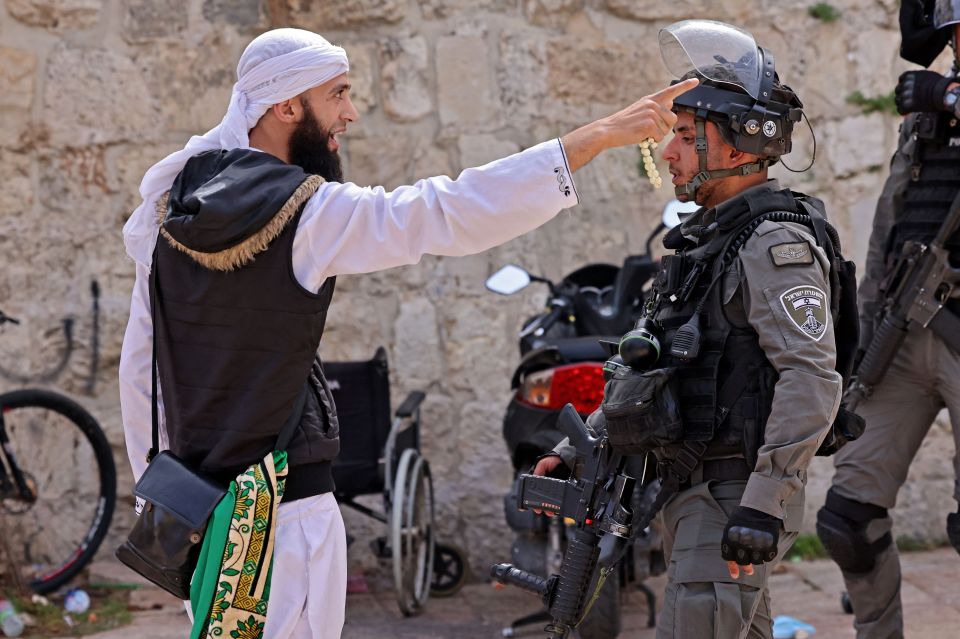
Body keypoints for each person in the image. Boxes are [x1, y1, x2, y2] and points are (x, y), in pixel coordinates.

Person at [117, 27, 696, 639]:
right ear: (287, 107)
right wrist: (593, 139)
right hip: (285, 518)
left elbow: (142, 369)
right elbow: (443, 210)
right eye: (337, 94)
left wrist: (156, 487)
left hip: (197, 510)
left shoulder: (170, 208)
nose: (351, 113)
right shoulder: (309, 212)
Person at [535, 20, 845, 638]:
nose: (666, 152)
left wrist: (764, 501)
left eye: (682, 136)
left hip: (732, 496)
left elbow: (811, 379)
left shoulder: (773, 243)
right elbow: (646, 372)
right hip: (691, 493)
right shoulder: (706, 245)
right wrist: (578, 450)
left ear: (735, 148)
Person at [816, 2, 960, 637]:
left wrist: (951, 95)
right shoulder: (936, 110)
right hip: (904, 332)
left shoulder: (945, 95)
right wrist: (866, 324)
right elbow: (893, 216)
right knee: (848, 520)